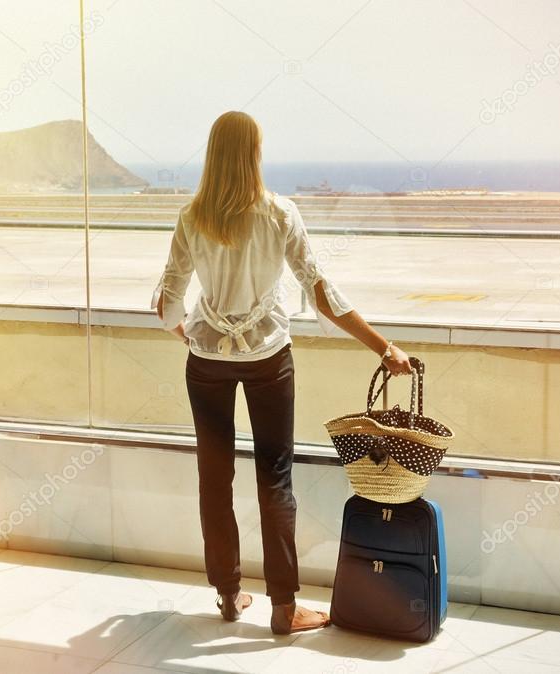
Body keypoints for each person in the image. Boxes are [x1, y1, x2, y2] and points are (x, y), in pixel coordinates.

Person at [151, 111, 412, 635]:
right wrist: (384, 348)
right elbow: (321, 293)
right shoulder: (279, 214)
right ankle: (283, 608)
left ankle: (227, 597)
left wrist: (193, 334)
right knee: (275, 479)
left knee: (213, 478)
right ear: (253, 155)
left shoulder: (191, 216)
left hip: (206, 364)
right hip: (269, 359)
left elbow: (168, 302)